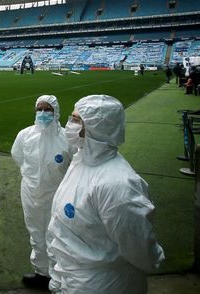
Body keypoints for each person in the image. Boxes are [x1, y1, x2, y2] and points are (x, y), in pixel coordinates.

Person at [46, 95, 165, 293]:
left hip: (102, 285)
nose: (70, 124)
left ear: (95, 128)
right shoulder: (80, 161)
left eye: (76, 120)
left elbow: (139, 249)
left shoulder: (118, 185)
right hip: (72, 279)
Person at [11, 95, 75, 289]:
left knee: (57, 235)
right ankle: (42, 273)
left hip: (57, 194)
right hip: (30, 192)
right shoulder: (25, 135)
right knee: (36, 233)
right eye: (39, 109)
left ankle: (59, 277)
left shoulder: (66, 138)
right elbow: (18, 156)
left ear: (55, 112)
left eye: (47, 109)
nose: (43, 113)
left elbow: (74, 166)